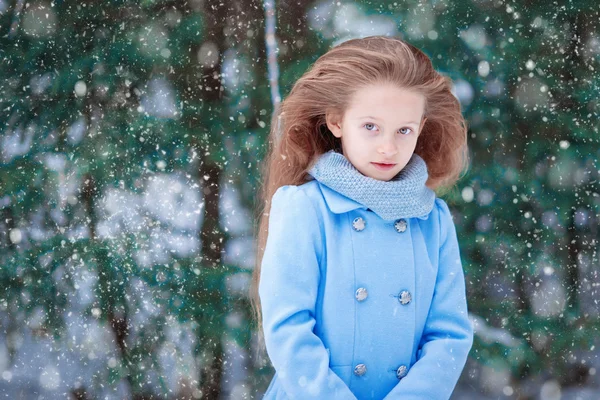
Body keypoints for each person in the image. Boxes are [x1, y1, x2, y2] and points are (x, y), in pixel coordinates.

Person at [250, 35, 474, 400]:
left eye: (404, 130)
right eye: (371, 126)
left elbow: (449, 335)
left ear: (421, 127)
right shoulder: (304, 208)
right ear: (337, 121)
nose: (388, 147)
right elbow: (288, 329)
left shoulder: (433, 219)